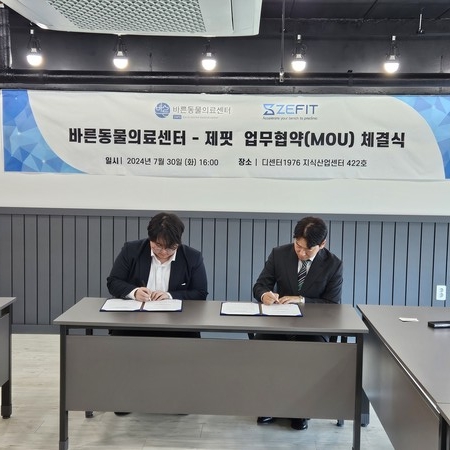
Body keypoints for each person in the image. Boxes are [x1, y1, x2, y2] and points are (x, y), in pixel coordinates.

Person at [252, 216, 343, 431]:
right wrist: (265, 294)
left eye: (307, 250)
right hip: (279, 323)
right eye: (298, 246)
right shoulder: (279, 254)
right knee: (262, 346)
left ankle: (301, 409)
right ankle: (269, 405)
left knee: (308, 354)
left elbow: (332, 304)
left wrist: (301, 300)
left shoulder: (333, 264)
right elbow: (259, 285)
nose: (301, 253)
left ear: (322, 244)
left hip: (313, 328)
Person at [107, 211, 208, 334]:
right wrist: (135, 292)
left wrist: (170, 295)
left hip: (177, 325)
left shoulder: (192, 257)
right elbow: (113, 282)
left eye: (171, 247)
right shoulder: (131, 250)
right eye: (158, 245)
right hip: (133, 323)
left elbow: (200, 293)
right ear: (150, 238)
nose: (164, 252)